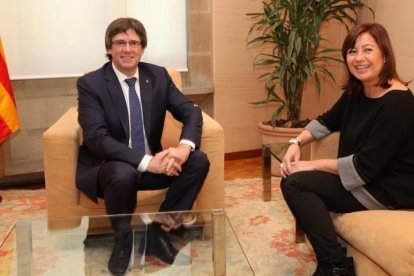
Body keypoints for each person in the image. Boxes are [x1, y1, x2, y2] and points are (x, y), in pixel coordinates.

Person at [76, 17, 209, 275]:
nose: (127, 49)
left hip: (152, 165)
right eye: (120, 43)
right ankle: (123, 240)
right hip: (110, 168)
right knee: (122, 172)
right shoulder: (91, 83)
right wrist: (150, 162)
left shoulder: (157, 76)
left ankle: (157, 231)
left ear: (142, 48)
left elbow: (191, 112)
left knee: (198, 159)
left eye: (134, 42)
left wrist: (183, 149)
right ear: (109, 48)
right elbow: (96, 138)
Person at [280, 22, 414, 276]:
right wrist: (295, 142)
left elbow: (364, 168)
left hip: (386, 190)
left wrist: (311, 164)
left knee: (296, 182)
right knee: (295, 180)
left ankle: (336, 266)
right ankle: (335, 263)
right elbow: (327, 120)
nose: (359, 58)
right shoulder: (358, 90)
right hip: (365, 181)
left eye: (367, 50)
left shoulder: (399, 103)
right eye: (352, 51)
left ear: (384, 55)